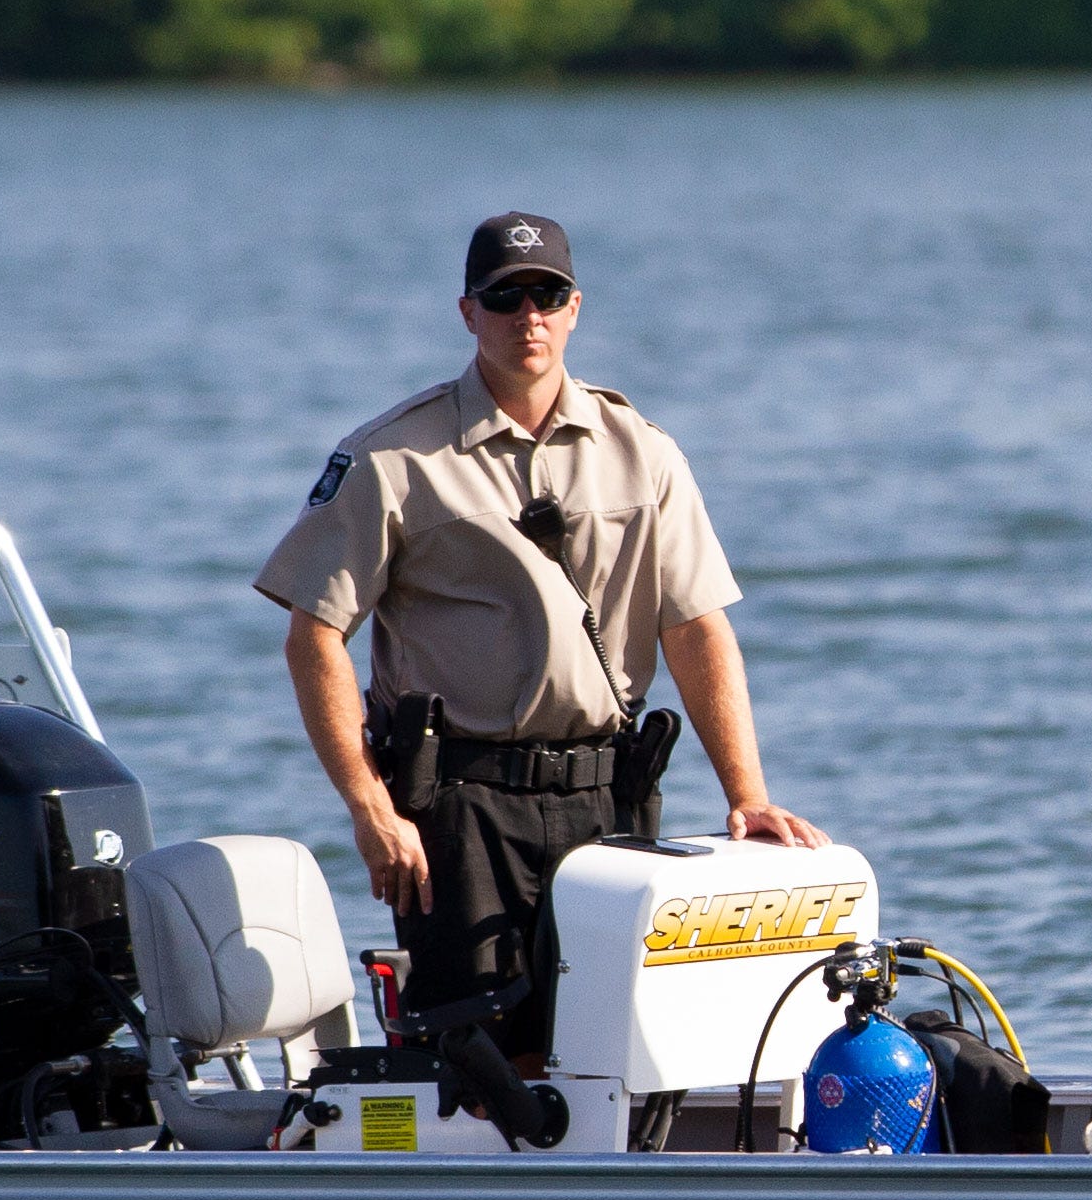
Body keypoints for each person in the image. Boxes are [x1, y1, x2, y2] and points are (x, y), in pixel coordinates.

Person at [258, 211, 825, 1063]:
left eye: (547, 295)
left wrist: (747, 795)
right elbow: (315, 637)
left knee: (622, 1051)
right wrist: (372, 808)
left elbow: (698, 626)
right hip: (460, 810)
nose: (529, 316)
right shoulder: (393, 459)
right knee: (479, 1057)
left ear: (574, 308)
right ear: (468, 312)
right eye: (506, 297)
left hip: (611, 799)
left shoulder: (645, 453)